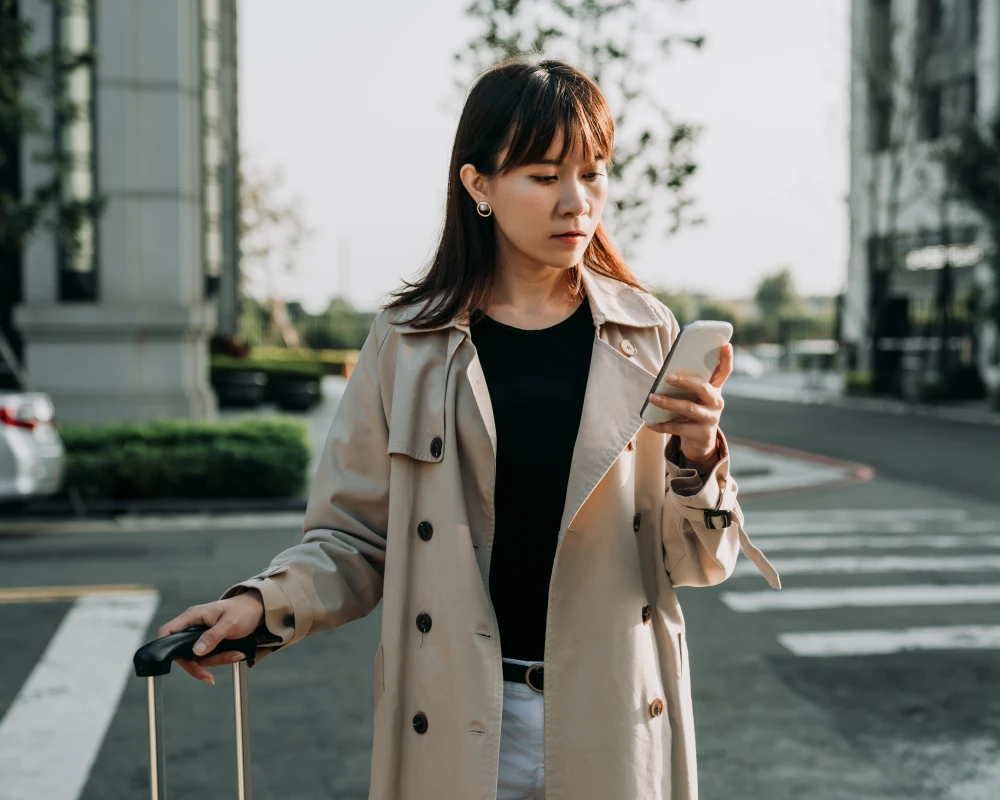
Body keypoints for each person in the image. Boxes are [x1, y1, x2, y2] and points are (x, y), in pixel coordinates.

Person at [158, 54, 781, 800]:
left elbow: (695, 565)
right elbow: (355, 537)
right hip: (456, 721)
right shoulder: (409, 341)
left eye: (593, 172)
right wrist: (261, 604)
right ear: (478, 185)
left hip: (615, 718)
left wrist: (699, 454)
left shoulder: (646, 335)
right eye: (544, 176)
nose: (576, 202)